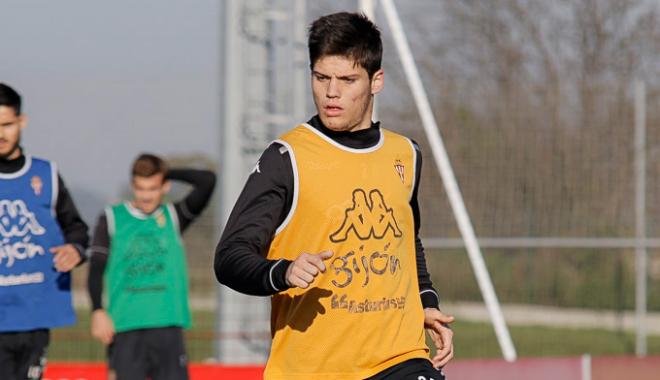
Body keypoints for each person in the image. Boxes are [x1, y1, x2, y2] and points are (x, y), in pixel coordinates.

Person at [214, 12, 454, 380]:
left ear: (376, 81)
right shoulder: (286, 158)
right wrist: (283, 271)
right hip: (313, 369)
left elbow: (407, 242)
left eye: (347, 80)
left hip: (400, 358)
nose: (331, 92)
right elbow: (230, 257)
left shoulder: (406, 154)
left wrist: (426, 302)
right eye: (321, 77)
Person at [86, 153, 215, 380]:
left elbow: (207, 180)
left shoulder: (174, 216)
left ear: (164, 186)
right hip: (125, 326)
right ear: (133, 186)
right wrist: (97, 310)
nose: (146, 196)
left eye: (153, 188)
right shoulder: (112, 218)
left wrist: (168, 171)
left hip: (167, 325)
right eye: (141, 188)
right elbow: (96, 267)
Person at [0, 83, 89, 380]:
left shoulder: (45, 175)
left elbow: (76, 228)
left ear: (21, 121)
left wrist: (74, 250)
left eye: (7, 124)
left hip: (34, 316)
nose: (1, 133)